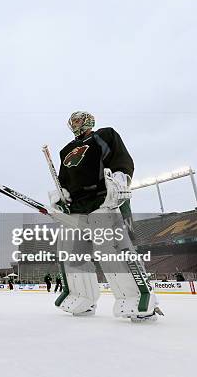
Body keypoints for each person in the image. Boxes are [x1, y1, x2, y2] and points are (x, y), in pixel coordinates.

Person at [48, 111, 162, 322]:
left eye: (79, 120)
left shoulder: (104, 135)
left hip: (102, 199)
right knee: (70, 251)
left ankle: (137, 298)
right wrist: (61, 193)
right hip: (77, 208)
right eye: (73, 121)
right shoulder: (66, 150)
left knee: (108, 248)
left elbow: (120, 160)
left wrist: (120, 179)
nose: (76, 124)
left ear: (89, 120)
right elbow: (64, 180)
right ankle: (81, 297)